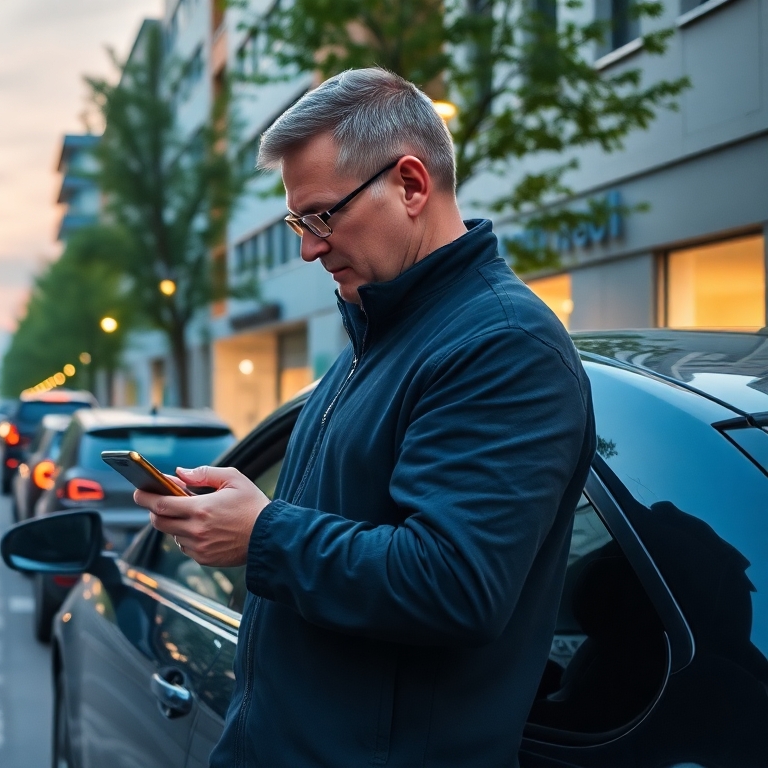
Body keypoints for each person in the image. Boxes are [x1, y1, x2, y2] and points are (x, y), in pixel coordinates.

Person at [132, 68, 596, 768]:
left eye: (321, 215)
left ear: (411, 185)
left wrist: (262, 534)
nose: (309, 248)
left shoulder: (502, 345)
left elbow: (454, 584)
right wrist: (242, 518)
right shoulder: (381, 334)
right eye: (298, 221)